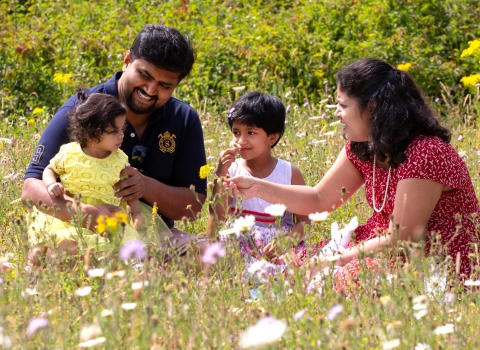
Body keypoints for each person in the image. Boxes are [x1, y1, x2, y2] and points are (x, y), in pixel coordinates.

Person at [224, 58, 480, 292]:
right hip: (380, 247)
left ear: (373, 108)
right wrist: (257, 186)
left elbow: (403, 238)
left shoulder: (427, 152)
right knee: (294, 263)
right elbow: (318, 199)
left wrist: (332, 260)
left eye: (343, 105)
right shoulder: (362, 146)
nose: (337, 113)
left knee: (327, 277)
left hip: (435, 262)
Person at [22, 24, 208, 266]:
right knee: (69, 257)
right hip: (75, 232)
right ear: (127, 60)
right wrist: (86, 214)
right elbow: (30, 190)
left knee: (208, 253)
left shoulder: (183, 119)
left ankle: (142, 269)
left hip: (145, 234)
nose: (150, 90)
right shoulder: (83, 111)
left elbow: (191, 207)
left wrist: (144, 187)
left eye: (165, 86)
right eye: (145, 75)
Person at [211, 91, 309, 269]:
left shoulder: (289, 173)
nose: (241, 140)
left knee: (289, 273)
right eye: (236, 132)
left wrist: (288, 241)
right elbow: (219, 215)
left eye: (250, 132)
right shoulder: (231, 170)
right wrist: (221, 173)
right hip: (239, 245)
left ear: (272, 137)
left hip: (277, 248)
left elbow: (305, 221)